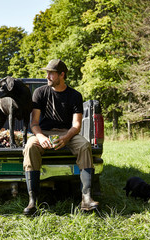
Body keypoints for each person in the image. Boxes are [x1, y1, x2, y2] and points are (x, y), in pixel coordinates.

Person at [22, 59, 99, 215]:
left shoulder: (75, 95)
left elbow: (77, 125)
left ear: (62, 75)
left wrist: (66, 137)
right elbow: (34, 122)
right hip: (44, 132)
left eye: (51, 73)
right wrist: (41, 136)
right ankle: (32, 201)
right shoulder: (40, 92)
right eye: (47, 73)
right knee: (30, 145)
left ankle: (86, 199)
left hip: (68, 133)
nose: (48, 76)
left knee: (84, 145)